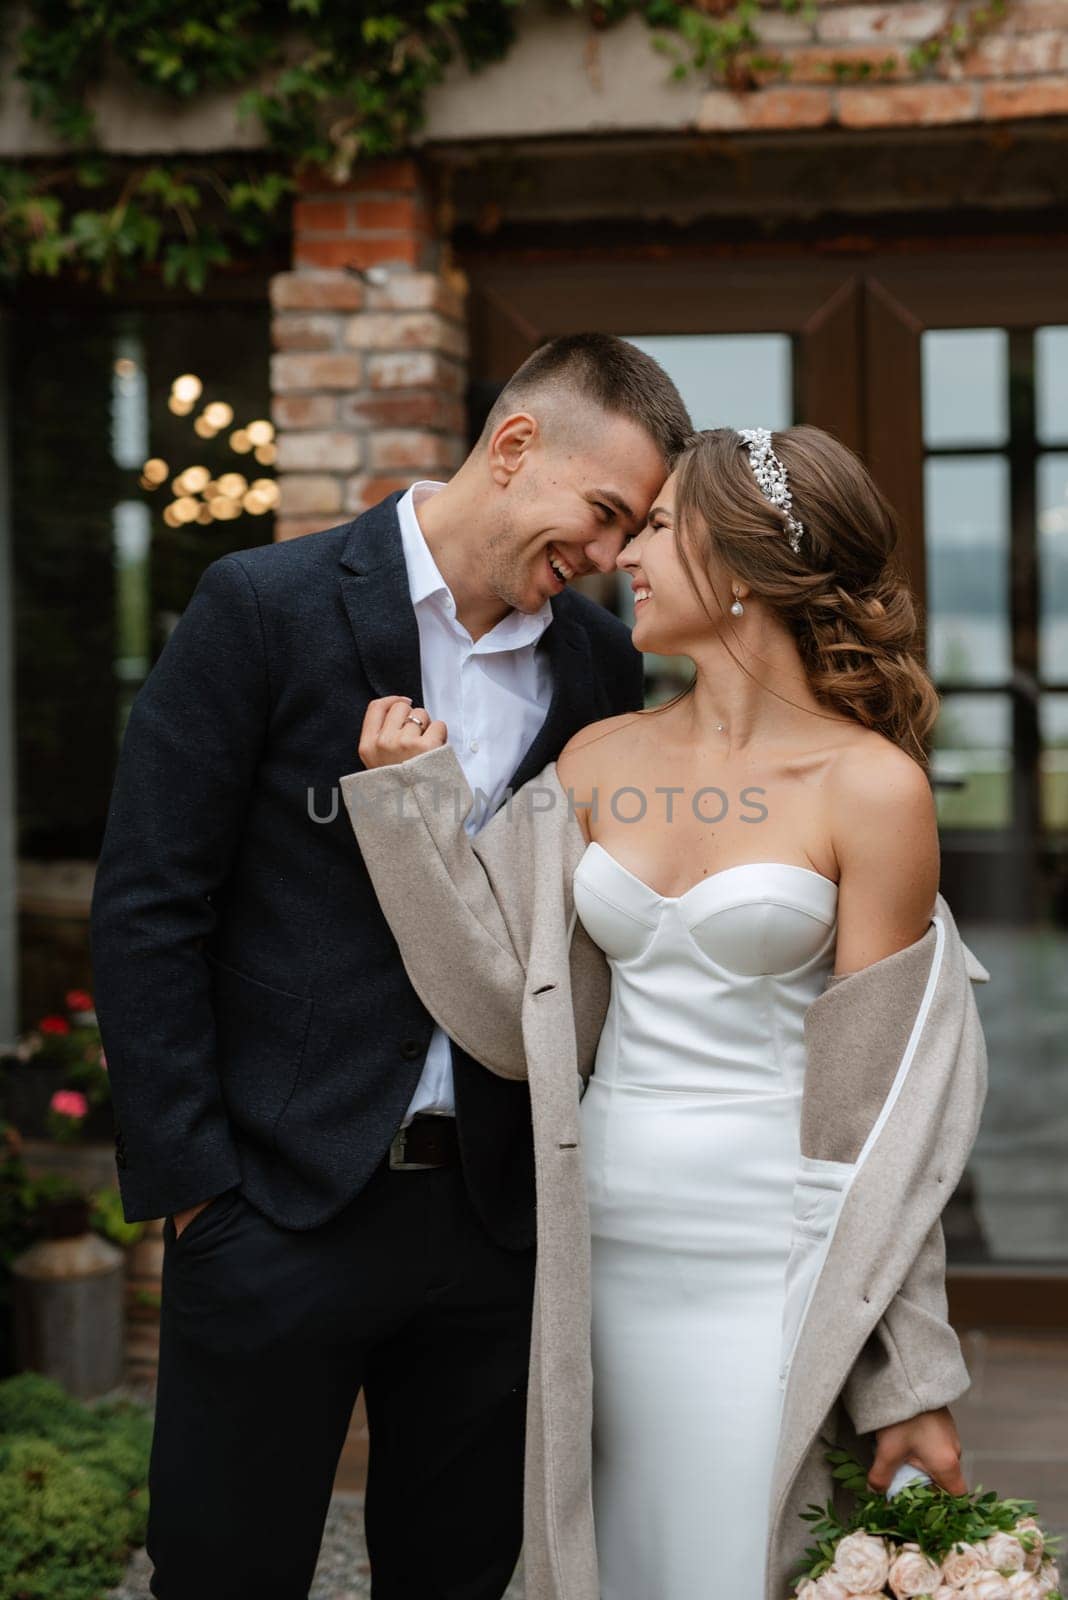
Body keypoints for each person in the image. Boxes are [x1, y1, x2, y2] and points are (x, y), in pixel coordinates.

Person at [88, 332, 692, 1599]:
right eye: (604, 513)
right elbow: (150, 905)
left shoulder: (599, 670)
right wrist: (199, 1187)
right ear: (516, 445)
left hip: (489, 1219)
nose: (607, 557)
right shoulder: (265, 605)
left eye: (630, 531)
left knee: (459, 1579)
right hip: (273, 1204)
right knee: (222, 1574)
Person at [343, 425, 990, 1600]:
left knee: (748, 1561)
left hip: (780, 1256)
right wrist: (408, 813)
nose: (618, 555)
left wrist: (912, 1376)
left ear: (742, 562)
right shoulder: (595, 760)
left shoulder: (873, 788)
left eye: (654, 528)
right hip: (601, 1248)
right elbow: (501, 1011)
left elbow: (892, 1124)